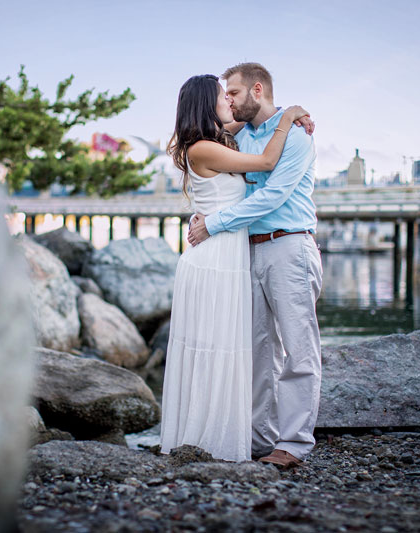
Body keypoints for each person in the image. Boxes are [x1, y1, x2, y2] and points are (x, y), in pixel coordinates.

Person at [159, 74, 311, 462]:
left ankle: (280, 442)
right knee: (231, 349)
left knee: (267, 350)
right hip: (221, 258)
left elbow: (253, 127)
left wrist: (289, 113)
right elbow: (262, 160)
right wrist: (288, 114)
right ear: (207, 105)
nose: (228, 100)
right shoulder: (211, 146)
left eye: (233, 93)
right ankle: (222, 437)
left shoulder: (239, 135)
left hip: (258, 248)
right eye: (221, 95)